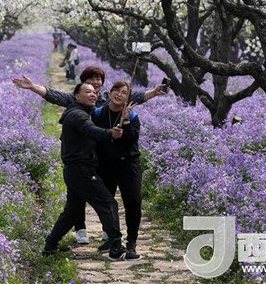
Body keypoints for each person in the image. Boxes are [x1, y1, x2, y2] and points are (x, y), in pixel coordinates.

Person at [12, 65, 167, 244]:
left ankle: (104, 235)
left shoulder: (105, 99)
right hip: (83, 157)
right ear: (81, 87)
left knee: (91, 199)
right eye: (90, 80)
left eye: (98, 79)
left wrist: (154, 92)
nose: (95, 83)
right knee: (83, 197)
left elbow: (129, 97)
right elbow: (55, 96)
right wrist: (33, 87)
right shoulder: (78, 101)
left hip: (104, 158)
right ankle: (83, 230)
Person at [42, 83, 128, 261]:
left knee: (73, 212)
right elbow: (91, 130)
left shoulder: (80, 112)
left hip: (75, 171)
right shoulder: (78, 115)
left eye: (94, 92)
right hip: (81, 170)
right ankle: (116, 248)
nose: (93, 95)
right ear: (76, 96)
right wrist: (110, 134)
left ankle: (50, 246)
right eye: (87, 92)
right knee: (108, 204)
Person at [92, 80, 142, 260]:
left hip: (129, 164)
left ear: (127, 98)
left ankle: (131, 242)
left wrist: (126, 120)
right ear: (111, 92)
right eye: (116, 90)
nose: (119, 94)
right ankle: (113, 239)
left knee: (133, 202)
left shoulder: (132, 116)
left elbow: (132, 139)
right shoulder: (98, 113)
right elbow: (93, 135)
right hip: (106, 165)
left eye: (124, 93)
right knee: (107, 203)